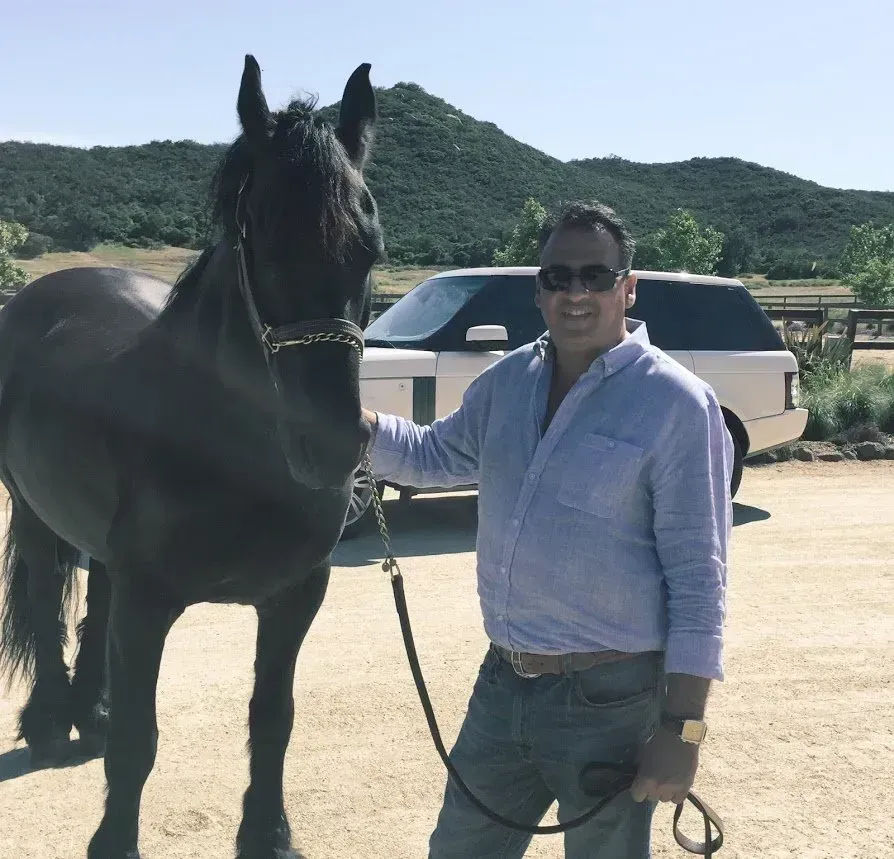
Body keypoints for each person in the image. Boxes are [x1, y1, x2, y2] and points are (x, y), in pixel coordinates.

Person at [361, 200, 733, 858]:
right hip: (503, 684)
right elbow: (433, 456)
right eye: (559, 277)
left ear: (628, 286)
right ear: (539, 291)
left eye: (596, 275)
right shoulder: (507, 382)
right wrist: (347, 423)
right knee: (458, 849)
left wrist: (683, 728)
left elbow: (699, 579)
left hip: (613, 704)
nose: (577, 292)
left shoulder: (677, 403)